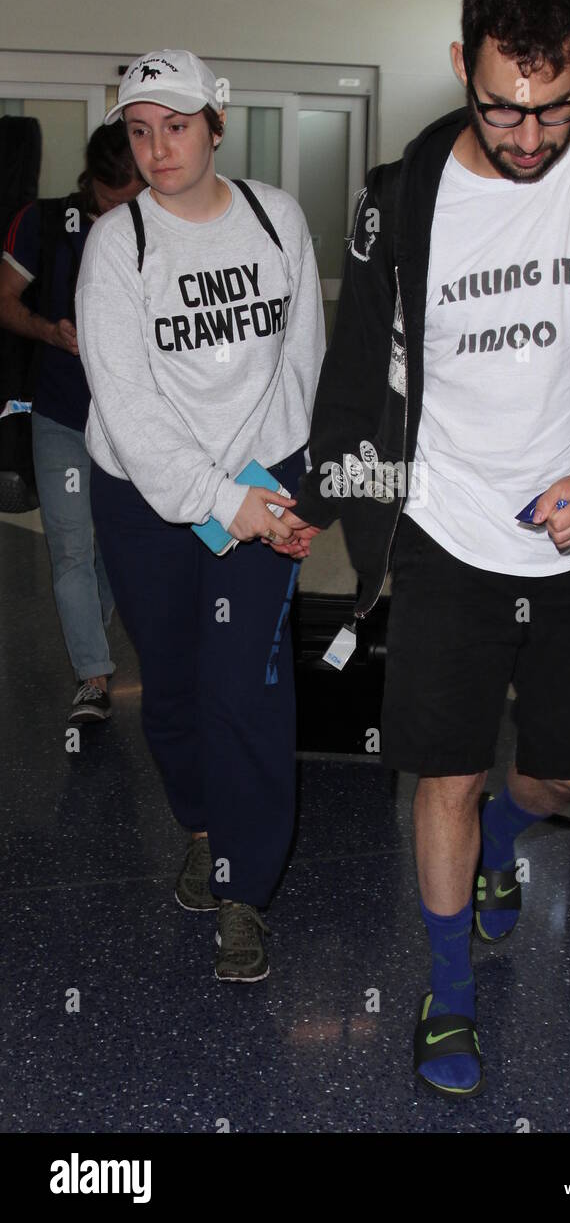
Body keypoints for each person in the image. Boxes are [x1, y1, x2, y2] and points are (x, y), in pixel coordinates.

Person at [280, 0, 570, 1096]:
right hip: (444, 535)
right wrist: (322, 497)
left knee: (566, 775)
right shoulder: (398, 203)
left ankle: (511, 844)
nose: (528, 138)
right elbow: (358, 379)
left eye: (554, 108)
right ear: (461, 62)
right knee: (446, 775)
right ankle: (446, 990)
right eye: (504, 109)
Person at [75, 49, 325, 982]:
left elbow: (298, 358)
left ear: (216, 125)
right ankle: (204, 827)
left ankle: (242, 890)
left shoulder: (274, 218)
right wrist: (219, 501)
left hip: (259, 485)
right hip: (146, 501)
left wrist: (264, 490)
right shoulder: (118, 245)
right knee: (175, 691)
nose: (157, 148)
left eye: (175, 126)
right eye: (139, 132)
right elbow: (130, 406)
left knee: (248, 691)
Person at [0, 123, 144, 725]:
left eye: (130, 196)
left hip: (134, 425)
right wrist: (50, 332)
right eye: (110, 198)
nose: (120, 207)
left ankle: (94, 642)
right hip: (61, 416)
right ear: (90, 180)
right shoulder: (43, 222)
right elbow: (5, 302)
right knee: (70, 549)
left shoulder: (158, 223)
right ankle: (91, 675)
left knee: (113, 549)